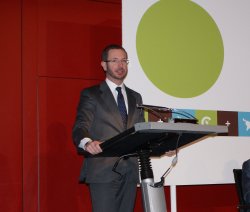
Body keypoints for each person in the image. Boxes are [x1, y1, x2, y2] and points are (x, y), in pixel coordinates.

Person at [72, 44, 145, 212]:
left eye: (124, 61)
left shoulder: (136, 97)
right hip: (103, 170)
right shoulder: (91, 94)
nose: (120, 65)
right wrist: (87, 143)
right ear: (104, 65)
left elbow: (140, 131)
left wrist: (163, 144)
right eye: (114, 60)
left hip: (130, 172)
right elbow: (80, 125)